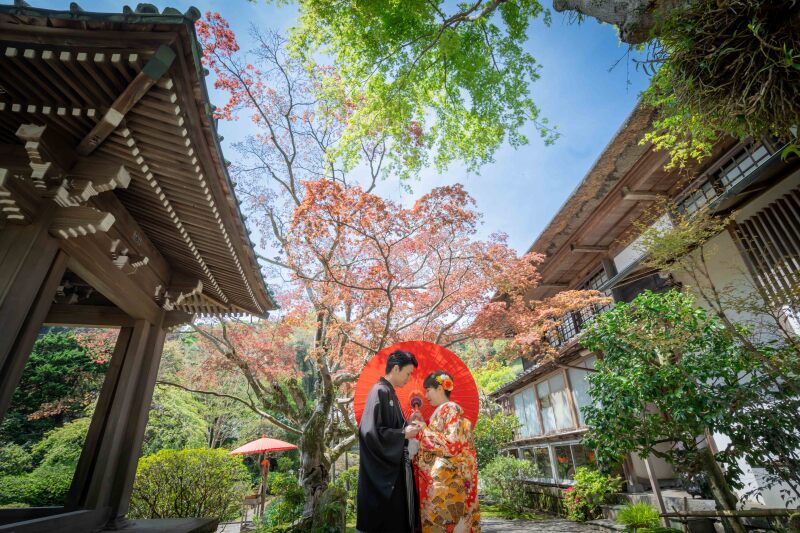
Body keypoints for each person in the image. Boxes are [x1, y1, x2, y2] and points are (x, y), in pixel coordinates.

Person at [357, 350, 423, 533]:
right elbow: (370, 432)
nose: (409, 379)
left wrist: (408, 424)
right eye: (408, 373)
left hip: (396, 471)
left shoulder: (389, 393)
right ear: (396, 368)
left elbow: (393, 428)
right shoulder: (379, 391)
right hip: (384, 478)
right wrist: (402, 434)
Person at [414, 371, 480, 533]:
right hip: (444, 481)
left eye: (428, 390)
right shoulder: (443, 412)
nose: (426, 395)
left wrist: (425, 431)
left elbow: (452, 444)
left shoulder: (450, 409)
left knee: (445, 521)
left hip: (448, 483)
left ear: (440, 388)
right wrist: (423, 425)